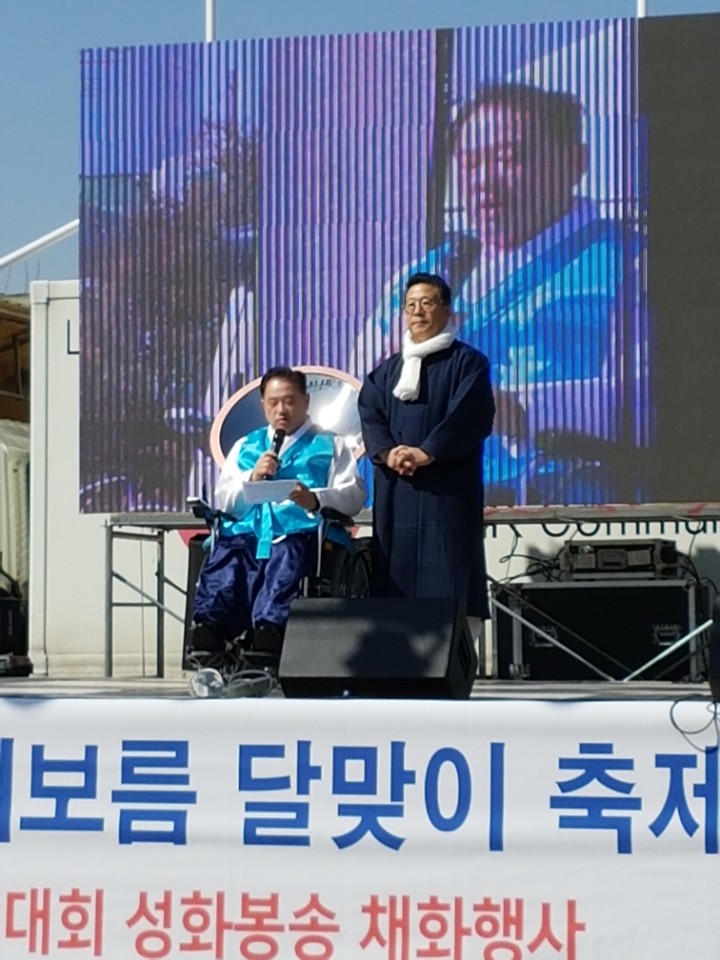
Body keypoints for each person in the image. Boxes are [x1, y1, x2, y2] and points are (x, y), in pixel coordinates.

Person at [353, 83, 631, 504]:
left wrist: (519, 409)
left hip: (559, 506)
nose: (484, 181)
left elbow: (656, 400)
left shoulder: (630, 265)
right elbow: (355, 389)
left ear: (576, 161)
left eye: (507, 159)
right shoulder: (428, 273)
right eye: (469, 164)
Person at [190, 366, 366, 655]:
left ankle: (270, 629)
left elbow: (354, 495)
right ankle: (210, 627)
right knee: (228, 558)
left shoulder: (330, 444)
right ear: (263, 405)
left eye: (289, 401)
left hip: (300, 532)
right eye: (273, 403)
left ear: (306, 401)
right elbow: (224, 499)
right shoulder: (246, 446)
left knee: (286, 556)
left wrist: (315, 498)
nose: (281, 410)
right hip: (247, 533)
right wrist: (252, 477)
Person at [358, 272, 495, 618]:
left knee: (449, 576)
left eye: (427, 303)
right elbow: (370, 413)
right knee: (396, 586)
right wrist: (389, 452)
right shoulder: (386, 372)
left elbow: (469, 415)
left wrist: (427, 451)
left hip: (446, 490)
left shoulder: (468, 363)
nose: (418, 312)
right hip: (398, 490)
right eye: (410, 305)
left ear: (446, 310)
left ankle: (456, 648)